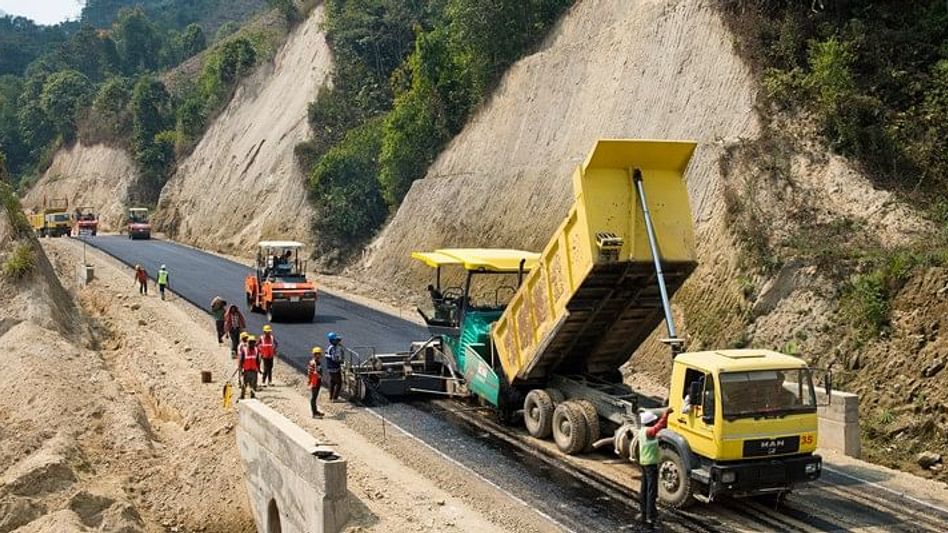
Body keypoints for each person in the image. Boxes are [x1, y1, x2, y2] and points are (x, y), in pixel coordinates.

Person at [638, 407, 672, 528]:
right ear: (650, 422)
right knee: (651, 491)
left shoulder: (642, 431)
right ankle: (650, 515)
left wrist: (657, 440)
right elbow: (660, 426)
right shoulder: (649, 431)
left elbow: (653, 437)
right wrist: (665, 414)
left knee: (644, 489)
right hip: (650, 465)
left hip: (643, 463)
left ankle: (643, 512)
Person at [326, 331, 345, 402]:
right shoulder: (332, 349)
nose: (336, 341)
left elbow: (339, 340)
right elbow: (335, 359)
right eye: (335, 340)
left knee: (332, 382)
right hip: (334, 368)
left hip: (331, 368)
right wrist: (341, 361)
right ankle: (334, 398)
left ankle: (331, 397)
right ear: (331, 341)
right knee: (339, 383)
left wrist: (338, 341)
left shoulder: (331, 347)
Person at [308, 347, 325, 418]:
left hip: (318, 381)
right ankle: (314, 413)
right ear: (315, 354)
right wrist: (312, 380)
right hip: (314, 382)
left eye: (319, 354)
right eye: (317, 354)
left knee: (315, 397)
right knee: (313, 397)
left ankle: (316, 411)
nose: (319, 355)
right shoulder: (313, 363)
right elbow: (310, 373)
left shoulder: (318, 362)